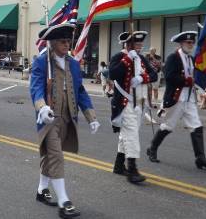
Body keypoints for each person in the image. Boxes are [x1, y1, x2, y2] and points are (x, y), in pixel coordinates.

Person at [30, 24, 100, 219]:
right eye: (62, 41)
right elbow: (35, 87)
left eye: (68, 41)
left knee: (49, 155)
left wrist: (91, 117)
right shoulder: (42, 62)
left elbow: (80, 91)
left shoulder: (73, 64)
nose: (66, 44)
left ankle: (41, 190)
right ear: (52, 43)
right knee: (56, 156)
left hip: (68, 118)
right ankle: (64, 201)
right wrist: (42, 107)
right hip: (48, 119)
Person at [146, 31, 206, 170]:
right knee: (168, 126)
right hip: (176, 97)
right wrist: (186, 80)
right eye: (188, 42)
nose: (191, 45)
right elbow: (169, 77)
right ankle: (152, 148)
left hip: (189, 98)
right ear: (181, 43)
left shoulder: (190, 59)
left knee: (196, 126)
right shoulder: (173, 57)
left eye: (192, 42)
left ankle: (200, 158)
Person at [109, 31, 157, 183]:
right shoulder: (119, 57)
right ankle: (132, 170)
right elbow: (113, 74)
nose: (140, 47)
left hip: (139, 104)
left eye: (141, 44)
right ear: (128, 45)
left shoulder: (141, 58)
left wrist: (141, 78)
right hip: (125, 103)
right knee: (131, 135)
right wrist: (127, 59)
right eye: (137, 44)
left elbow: (154, 74)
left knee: (128, 134)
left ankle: (118, 165)